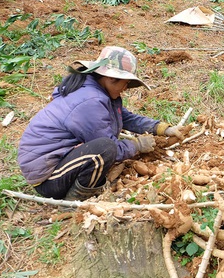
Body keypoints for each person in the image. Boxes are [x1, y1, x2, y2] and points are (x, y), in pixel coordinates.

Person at [17, 46, 183, 201]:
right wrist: (137, 145)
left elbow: (125, 118)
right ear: (111, 78)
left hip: (58, 166)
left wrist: (161, 128)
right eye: (125, 83)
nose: (125, 88)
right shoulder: (90, 101)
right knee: (104, 149)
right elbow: (110, 147)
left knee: (104, 148)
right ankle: (75, 199)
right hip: (49, 179)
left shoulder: (97, 93)